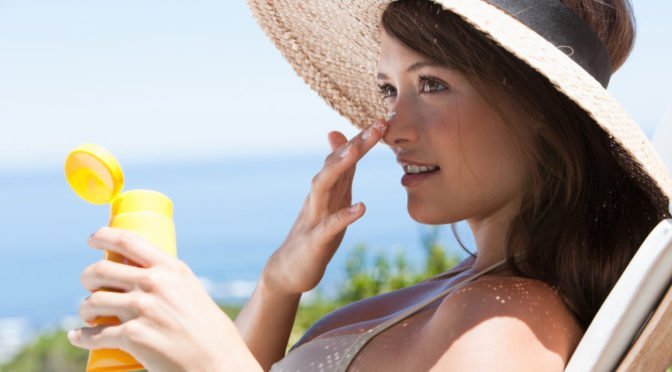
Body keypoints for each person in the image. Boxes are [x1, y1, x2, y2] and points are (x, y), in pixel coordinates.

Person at [67, 0, 672, 370]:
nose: (392, 129)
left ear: (542, 111)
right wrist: (281, 283)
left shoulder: (509, 322)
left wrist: (210, 360)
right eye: (389, 90)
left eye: (431, 84)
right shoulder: (469, 293)